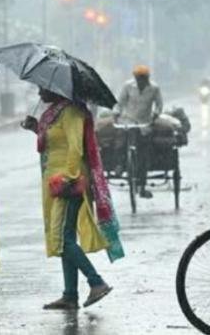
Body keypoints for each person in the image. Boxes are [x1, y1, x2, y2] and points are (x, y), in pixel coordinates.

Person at [21, 89, 124, 310]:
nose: (39, 91)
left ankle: (96, 282)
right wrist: (36, 128)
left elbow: (75, 147)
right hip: (54, 180)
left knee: (62, 238)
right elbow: (55, 143)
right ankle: (70, 295)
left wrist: (68, 177)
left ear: (56, 88)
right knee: (65, 237)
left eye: (43, 87)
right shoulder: (54, 113)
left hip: (69, 181)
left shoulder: (72, 112)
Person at [114, 65, 163, 198]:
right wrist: (116, 114)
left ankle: (142, 185)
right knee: (121, 140)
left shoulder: (154, 88)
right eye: (139, 78)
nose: (141, 80)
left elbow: (159, 105)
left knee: (143, 154)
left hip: (145, 124)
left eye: (144, 78)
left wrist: (155, 114)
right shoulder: (128, 86)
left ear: (148, 78)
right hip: (128, 121)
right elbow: (120, 103)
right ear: (135, 78)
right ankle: (119, 163)